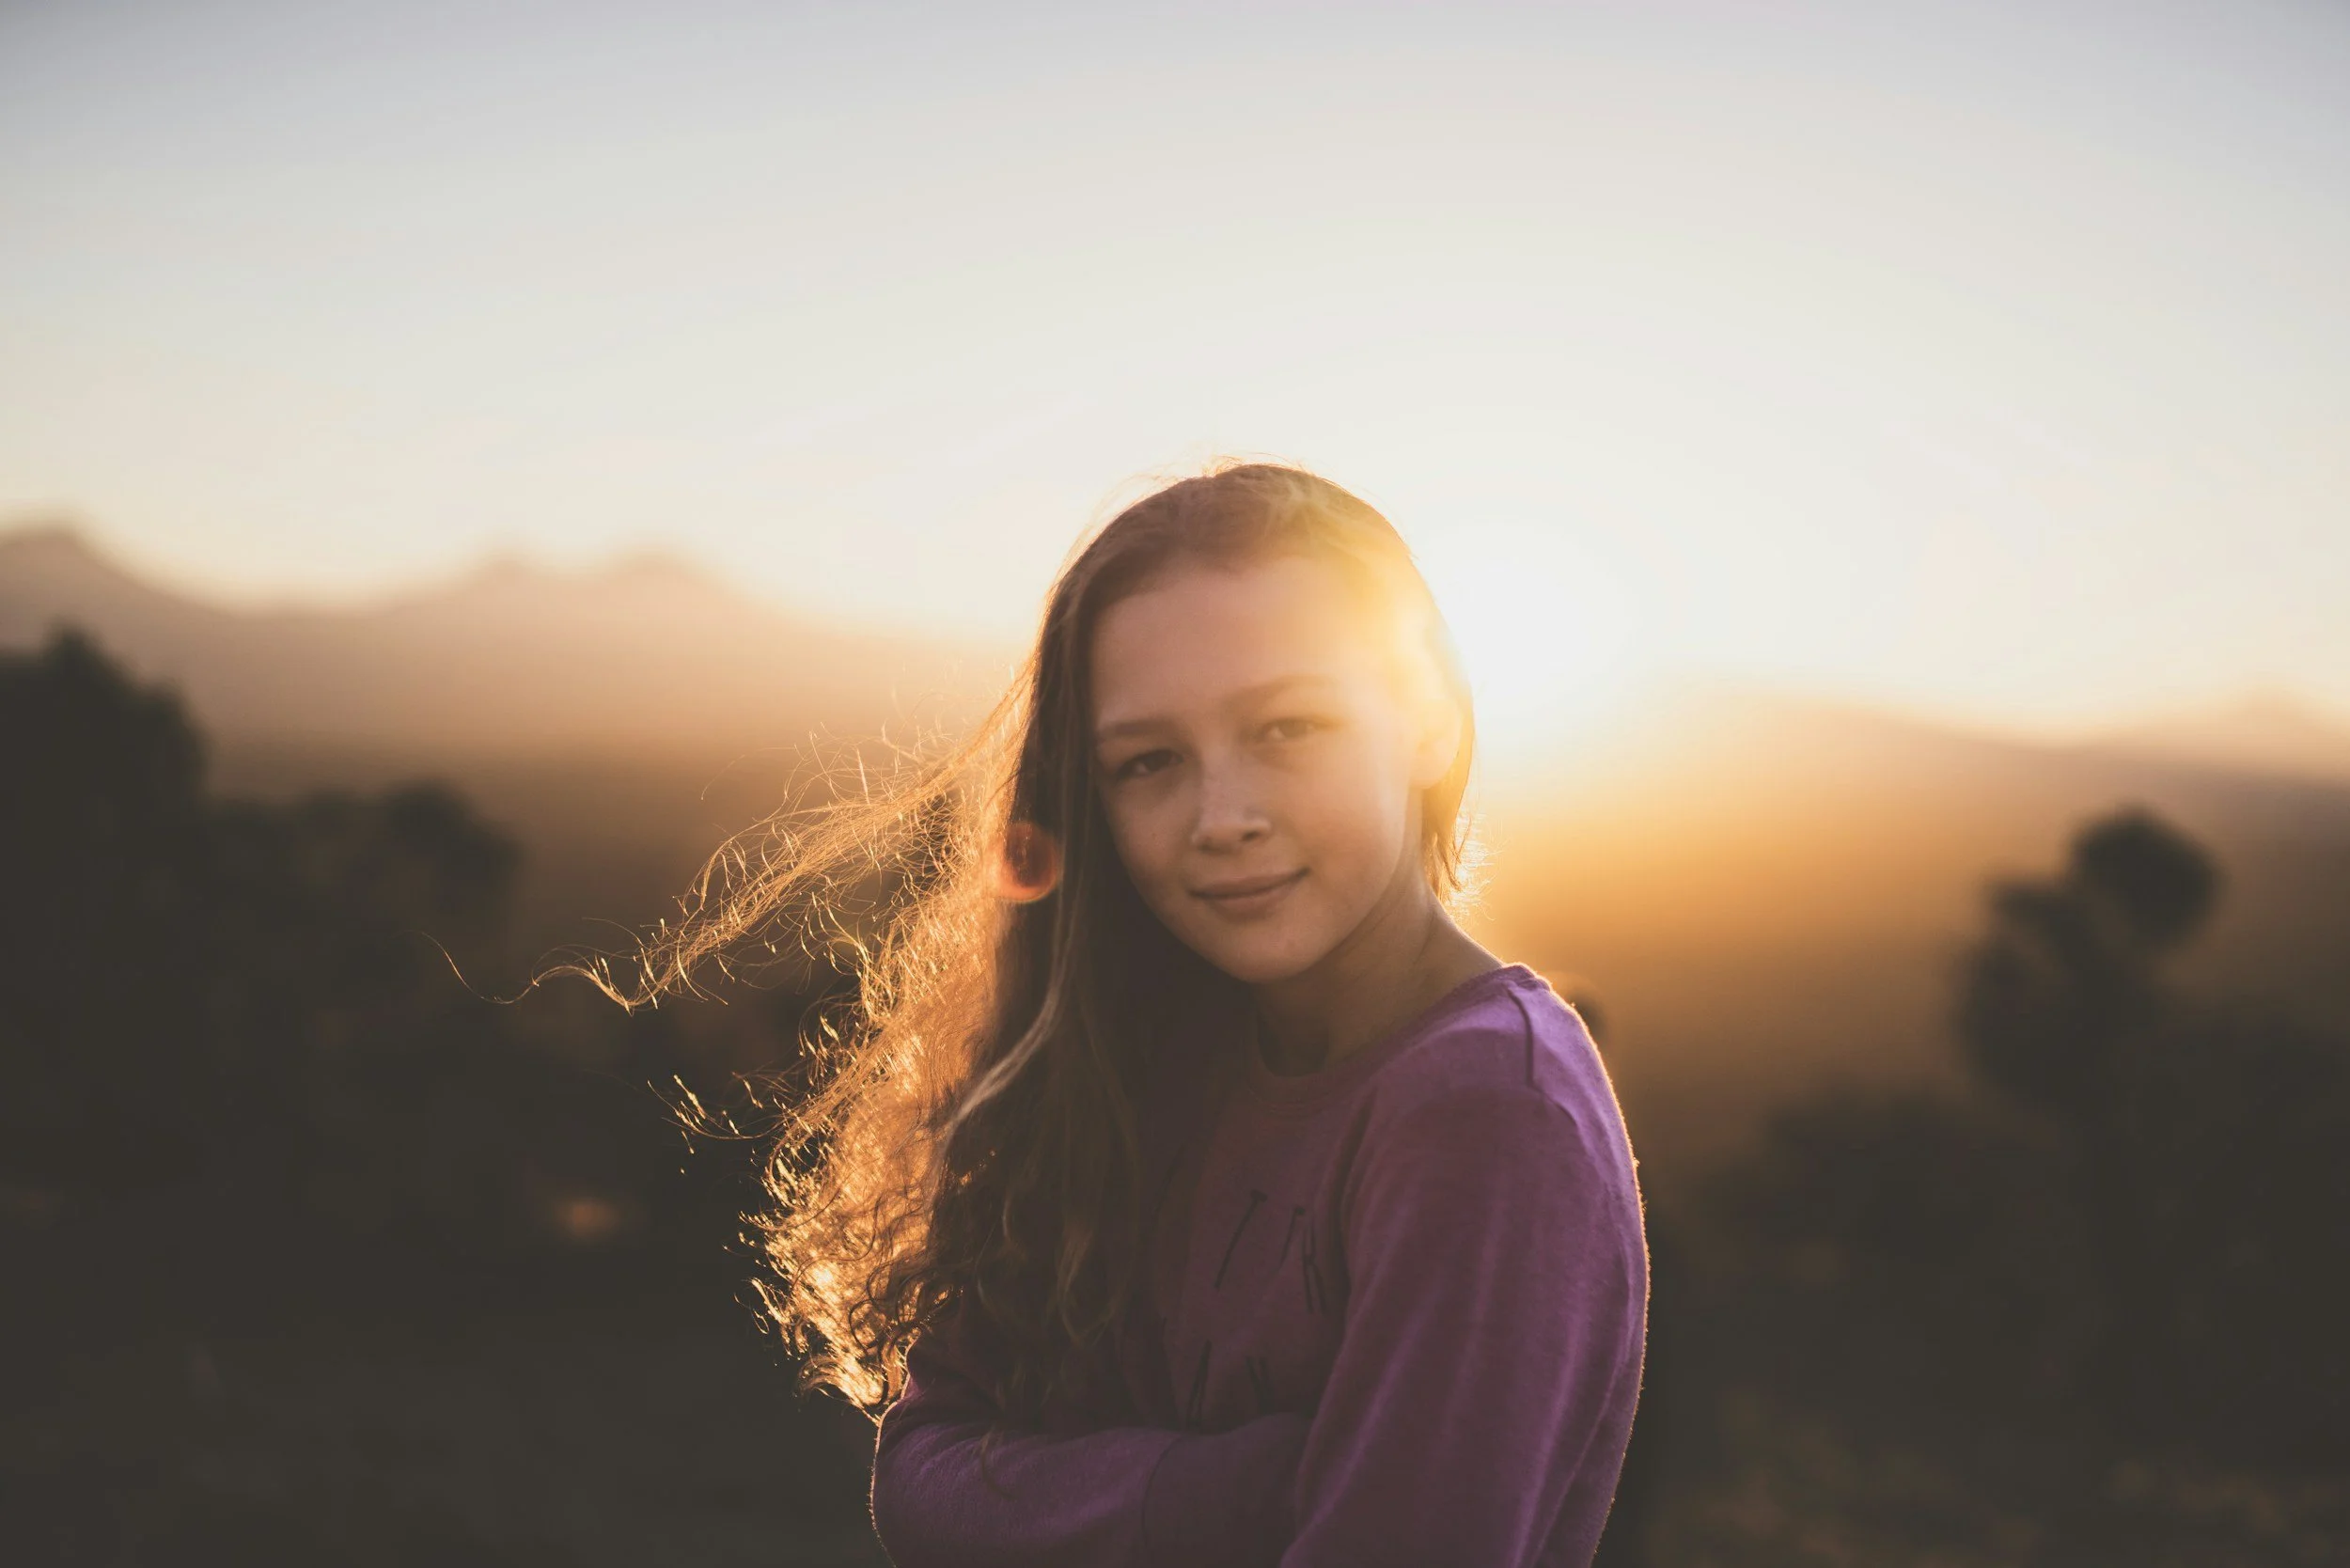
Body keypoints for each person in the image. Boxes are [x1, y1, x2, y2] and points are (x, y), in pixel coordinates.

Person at [622, 463, 1647, 1565]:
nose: (1221, 816)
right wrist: (1252, 1486)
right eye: (1148, 761)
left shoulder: (1489, 1109)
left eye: (1288, 727)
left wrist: (1059, 1493)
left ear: (1429, 726)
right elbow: (922, 1475)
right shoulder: (1141, 1055)